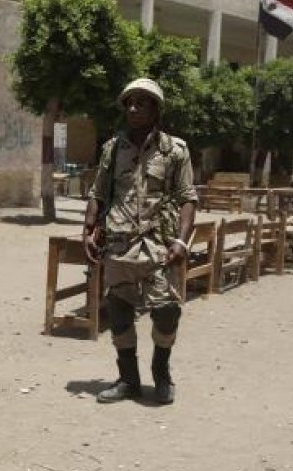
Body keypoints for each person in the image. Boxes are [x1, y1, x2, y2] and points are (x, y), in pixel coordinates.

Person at [81, 78, 197, 405]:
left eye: (142, 102)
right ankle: (128, 380)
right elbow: (98, 193)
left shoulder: (175, 150)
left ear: (156, 109)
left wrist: (183, 241)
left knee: (166, 312)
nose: (133, 108)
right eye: (129, 103)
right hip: (119, 243)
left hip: (160, 245)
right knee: (118, 312)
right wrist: (89, 228)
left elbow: (188, 198)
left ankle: (161, 371)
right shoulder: (112, 149)